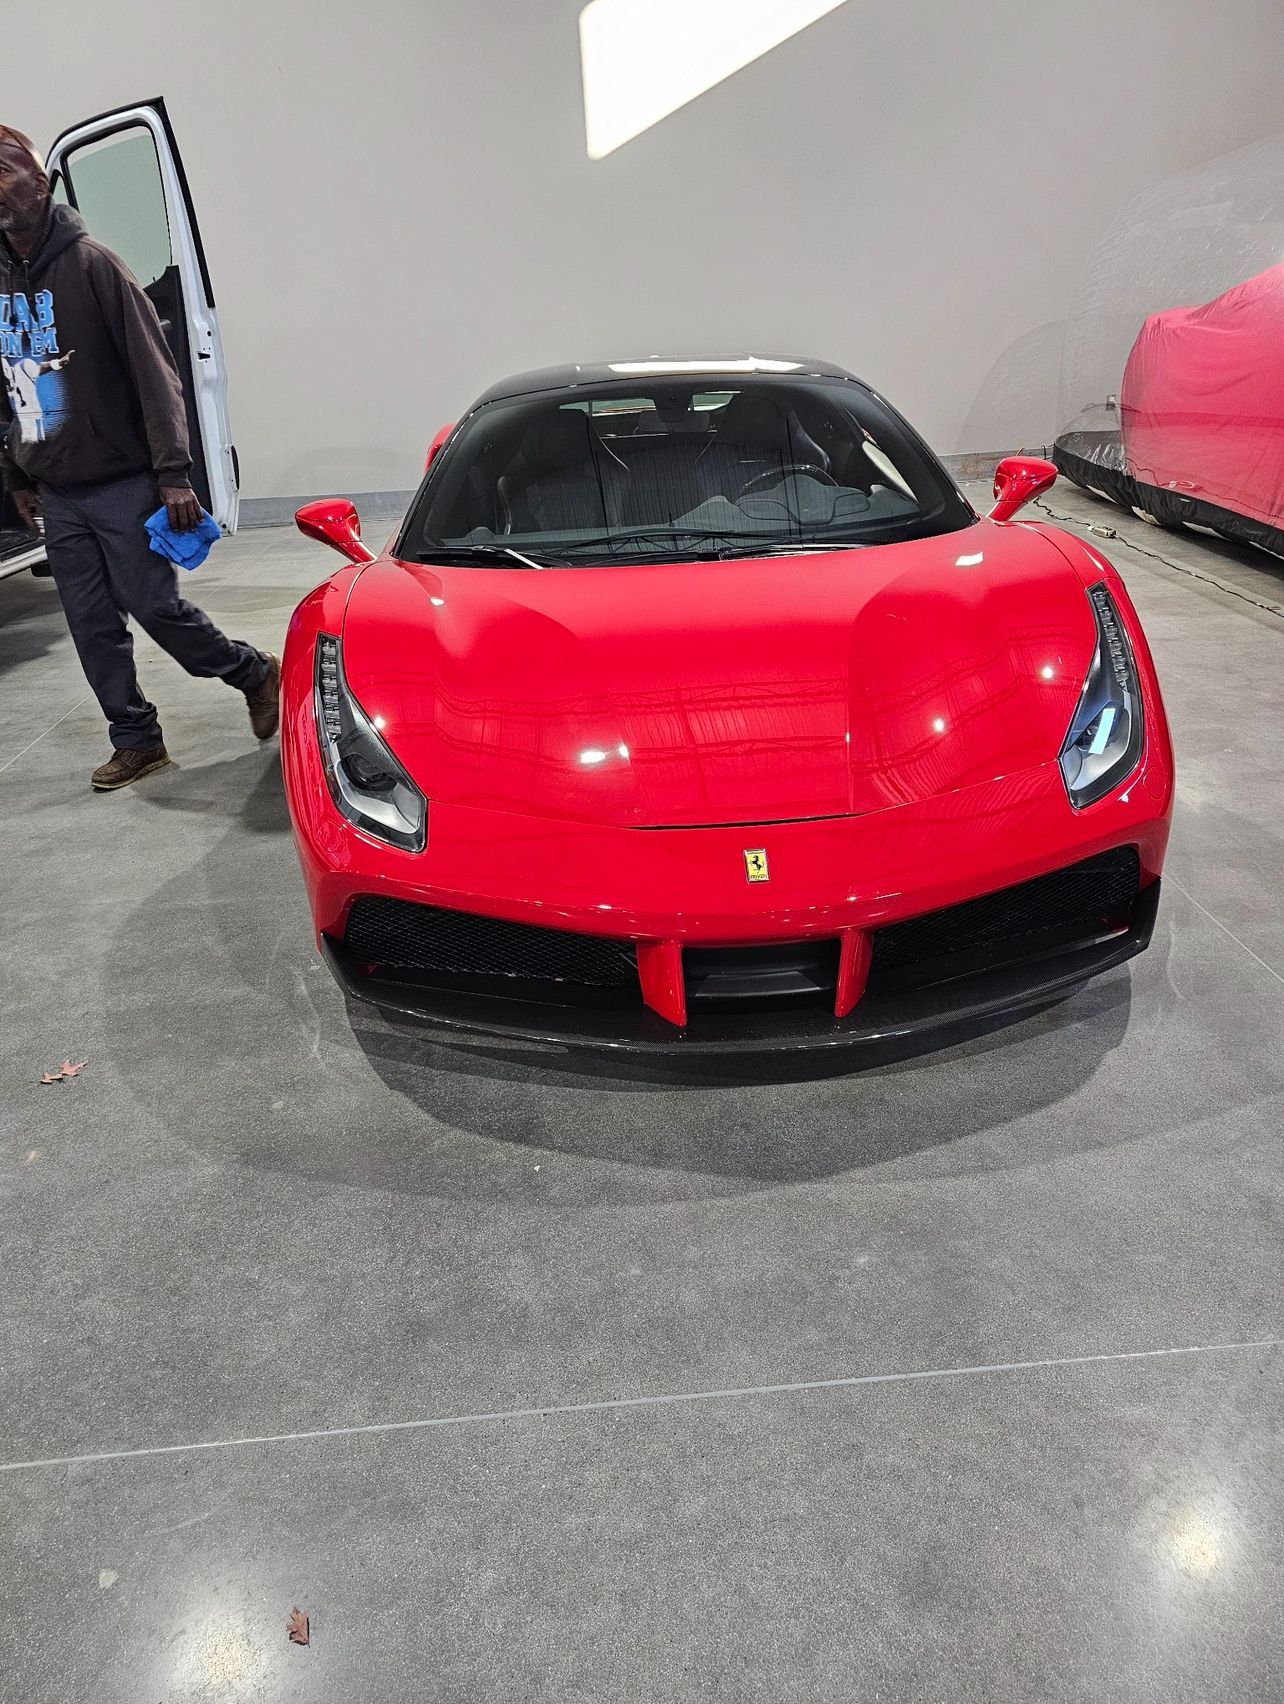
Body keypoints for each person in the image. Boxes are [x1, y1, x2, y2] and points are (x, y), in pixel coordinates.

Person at [0, 124, 279, 791]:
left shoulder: (94, 265)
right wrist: (16, 471)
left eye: (4, 173)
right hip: (57, 488)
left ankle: (252, 671)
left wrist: (173, 472)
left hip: (124, 480)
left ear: (40, 186)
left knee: (154, 607)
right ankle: (137, 739)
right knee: (92, 624)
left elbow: (157, 375)